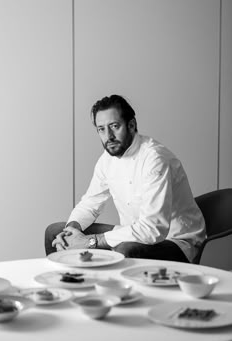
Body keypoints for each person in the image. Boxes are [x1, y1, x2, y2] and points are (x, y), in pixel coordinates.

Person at [45, 94, 206, 263]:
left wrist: (90, 241)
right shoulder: (107, 160)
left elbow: (153, 229)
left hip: (176, 241)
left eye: (114, 126)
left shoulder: (155, 159)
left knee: (125, 250)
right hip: (132, 233)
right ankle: (70, 285)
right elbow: (90, 203)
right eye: (101, 129)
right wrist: (71, 230)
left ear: (131, 125)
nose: (108, 136)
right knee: (54, 232)